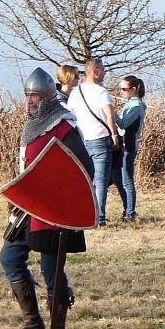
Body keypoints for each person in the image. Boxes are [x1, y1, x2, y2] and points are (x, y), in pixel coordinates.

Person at [0, 67, 94, 329]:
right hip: (29, 208)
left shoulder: (64, 126)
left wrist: (59, 198)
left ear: (48, 97)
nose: (30, 101)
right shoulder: (31, 127)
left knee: (51, 269)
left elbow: (82, 169)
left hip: (55, 212)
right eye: (28, 96)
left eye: (35, 96)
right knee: (10, 257)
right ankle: (33, 323)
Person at [67, 58, 120, 226]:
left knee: (84, 181)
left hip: (82, 141)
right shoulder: (101, 92)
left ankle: (83, 214)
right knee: (101, 181)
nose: (104, 73)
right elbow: (109, 115)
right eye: (102, 69)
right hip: (100, 140)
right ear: (95, 71)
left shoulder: (76, 92)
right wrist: (114, 135)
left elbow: (70, 115)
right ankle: (99, 217)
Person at [112, 75, 146, 222]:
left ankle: (131, 213)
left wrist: (110, 112)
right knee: (118, 179)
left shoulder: (137, 106)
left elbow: (123, 124)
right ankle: (128, 210)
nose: (121, 91)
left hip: (129, 146)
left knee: (127, 181)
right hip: (123, 145)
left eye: (124, 89)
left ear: (133, 89)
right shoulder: (130, 104)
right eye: (120, 89)